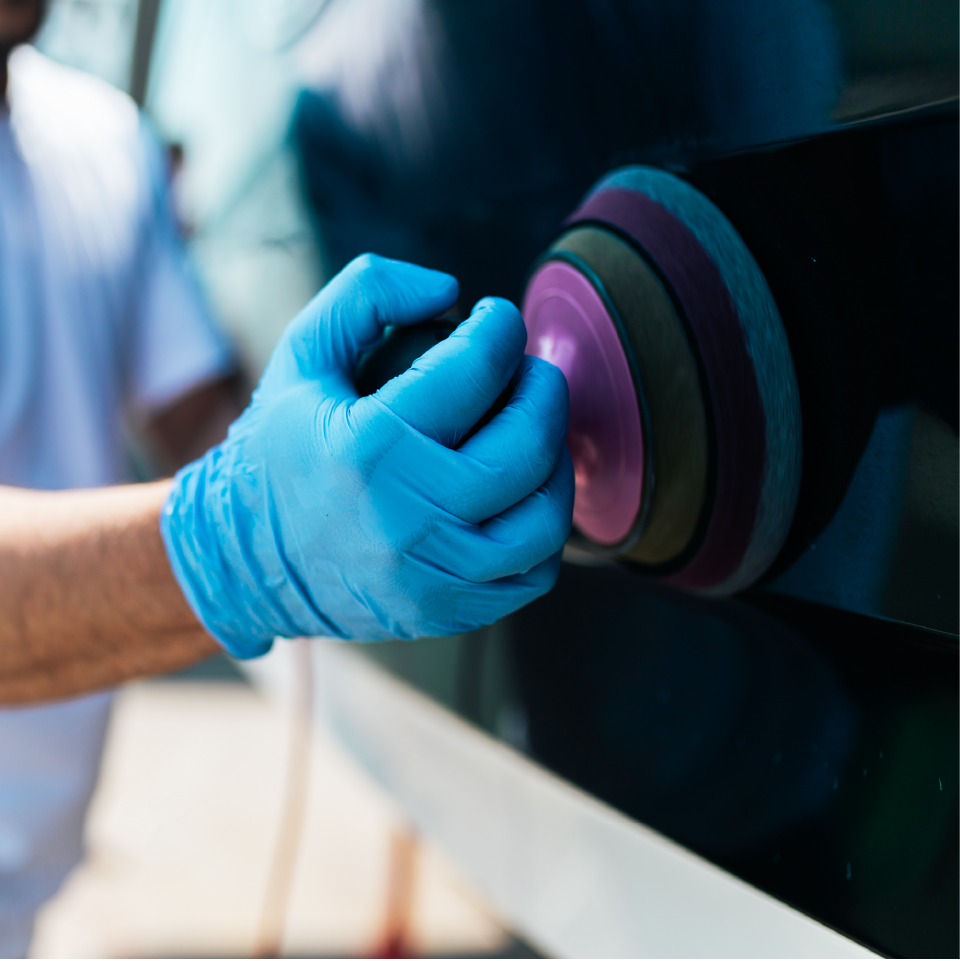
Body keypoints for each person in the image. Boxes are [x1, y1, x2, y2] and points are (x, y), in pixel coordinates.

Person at [0, 1, 572, 955]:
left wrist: (351, 430)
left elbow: (193, 411)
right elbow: (230, 507)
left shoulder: (99, 141)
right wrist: (238, 540)